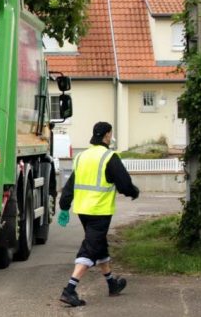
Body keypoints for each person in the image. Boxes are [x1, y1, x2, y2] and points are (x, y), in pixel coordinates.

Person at [57, 121, 139, 307]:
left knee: (99, 246)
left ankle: (112, 284)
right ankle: (69, 290)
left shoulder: (81, 156)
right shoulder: (109, 157)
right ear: (107, 136)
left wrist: (64, 205)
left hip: (83, 210)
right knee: (90, 248)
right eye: (110, 134)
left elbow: (70, 184)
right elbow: (124, 183)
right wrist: (133, 192)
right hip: (99, 211)